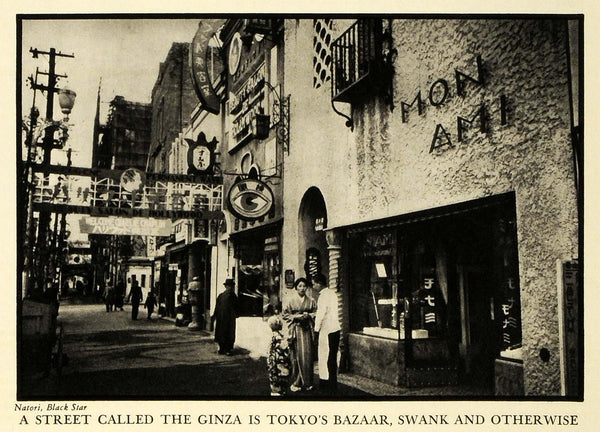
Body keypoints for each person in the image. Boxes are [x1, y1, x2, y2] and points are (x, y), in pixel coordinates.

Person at [282, 277, 317, 392]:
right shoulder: (290, 300)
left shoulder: (311, 300)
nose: (302, 288)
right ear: (296, 288)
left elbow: (316, 312)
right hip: (296, 330)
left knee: (307, 355)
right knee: (295, 355)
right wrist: (296, 317)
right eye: (300, 286)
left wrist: (309, 315)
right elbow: (285, 315)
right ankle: (296, 382)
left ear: (307, 288)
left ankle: (308, 382)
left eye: (304, 286)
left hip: (307, 330)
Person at [313, 273, 341, 393]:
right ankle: (333, 382)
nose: (313, 286)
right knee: (333, 356)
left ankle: (325, 383)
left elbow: (320, 314)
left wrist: (316, 330)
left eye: (314, 284)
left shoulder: (323, 296)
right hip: (335, 329)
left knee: (324, 356)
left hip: (326, 330)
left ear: (319, 284)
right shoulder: (332, 294)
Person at [267, 315, 291, 396]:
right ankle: (279, 391)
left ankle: (276, 390)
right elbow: (282, 347)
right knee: (280, 374)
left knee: (274, 374)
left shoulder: (273, 335)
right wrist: (288, 343)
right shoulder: (278, 337)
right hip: (279, 360)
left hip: (273, 359)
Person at [213, 278, 239, 355]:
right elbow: (217, 307)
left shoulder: (233, 296)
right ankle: (222, 348)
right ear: (226, 286)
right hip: (221, 318)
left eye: (231, 286)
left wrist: (236, 314)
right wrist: (215, 315)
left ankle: (228, 349)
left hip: (229, 318)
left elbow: (237, 307)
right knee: (221, 332)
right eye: (228, 286)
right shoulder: (221, 296)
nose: (230, 288)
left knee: (229, 333)